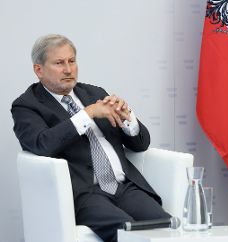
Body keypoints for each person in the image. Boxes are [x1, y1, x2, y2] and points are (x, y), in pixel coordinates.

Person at [11, 34, 171, 242]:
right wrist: (87, 115)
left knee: (166, 227)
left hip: (124, 186)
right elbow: (42, 145)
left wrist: (127, 117)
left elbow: (141, 144)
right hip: (85, 194)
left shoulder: (94, 92)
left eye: (72, 61)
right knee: (126, 231)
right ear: (38, 70)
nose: (68, 70)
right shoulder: (27, 105)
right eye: (59, 63)